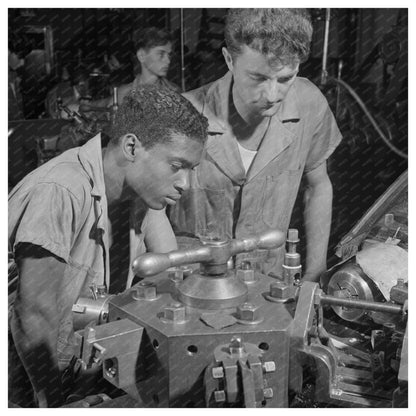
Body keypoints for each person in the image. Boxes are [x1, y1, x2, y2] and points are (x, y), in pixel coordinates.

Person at [8, 85, 208, 407]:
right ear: (131, 146)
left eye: (191, 170)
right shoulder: (61, 190)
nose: (186, 184)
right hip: (22, 383)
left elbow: (170, 270)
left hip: (75, 369)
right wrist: (54, 405)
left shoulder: (140, 194)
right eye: (176, 166)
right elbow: (33, 313)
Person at [169, 9, 342, 282]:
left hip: (267, 283)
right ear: (229, 59)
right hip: (191, 285)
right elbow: (147, 209)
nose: (272, 95)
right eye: (259, 78)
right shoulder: (183, 114)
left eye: (286, 78)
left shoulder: (310, 104)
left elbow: (318, 185)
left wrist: (315, 272)